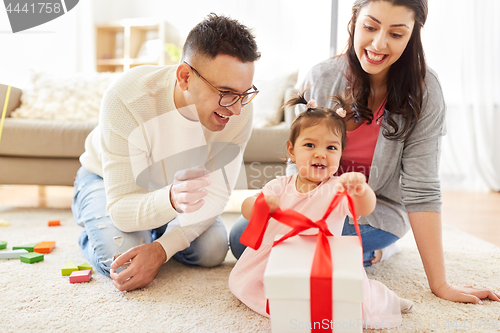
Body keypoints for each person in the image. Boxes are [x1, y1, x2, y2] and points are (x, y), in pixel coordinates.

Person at [230, 0, 500, 304]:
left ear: (413, 35)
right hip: (310, 204)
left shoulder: (425, 92)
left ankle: (378, 248)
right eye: (370, 27)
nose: (379, 43)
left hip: (373, 212)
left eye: (396, 34)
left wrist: (440, 283)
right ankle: (362, 256)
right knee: (241, 237)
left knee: (302, 246)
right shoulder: (320, 78)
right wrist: (295, 204)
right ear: (354, 21)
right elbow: (298, 163)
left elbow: (421, 190)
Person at [72, 13, 260, 292]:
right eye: (226, 92)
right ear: (184, 77)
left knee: (212, 250)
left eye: (245, 94)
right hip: (106, 180)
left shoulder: (238, 110)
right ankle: (91, 217)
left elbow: (218, 193)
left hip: (177, 192)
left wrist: (161, 249)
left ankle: (153, 229)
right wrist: (170, 201)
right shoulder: (127, 97)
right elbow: (123, 208)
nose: (236, 109)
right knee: (122, 263)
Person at [229, 94, 414, 325]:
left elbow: (365, 208)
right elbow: (247, 208)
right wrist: (261, 205)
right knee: (249, 286)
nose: (320, 153)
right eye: (309, 145)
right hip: (279, 256)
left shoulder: (337, 188)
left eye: (331, 147)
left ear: (340, 153)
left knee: (351, 301)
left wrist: (361, 189)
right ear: (291, 150)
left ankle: (386, 299)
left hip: (322, 261)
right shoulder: (279, 185)